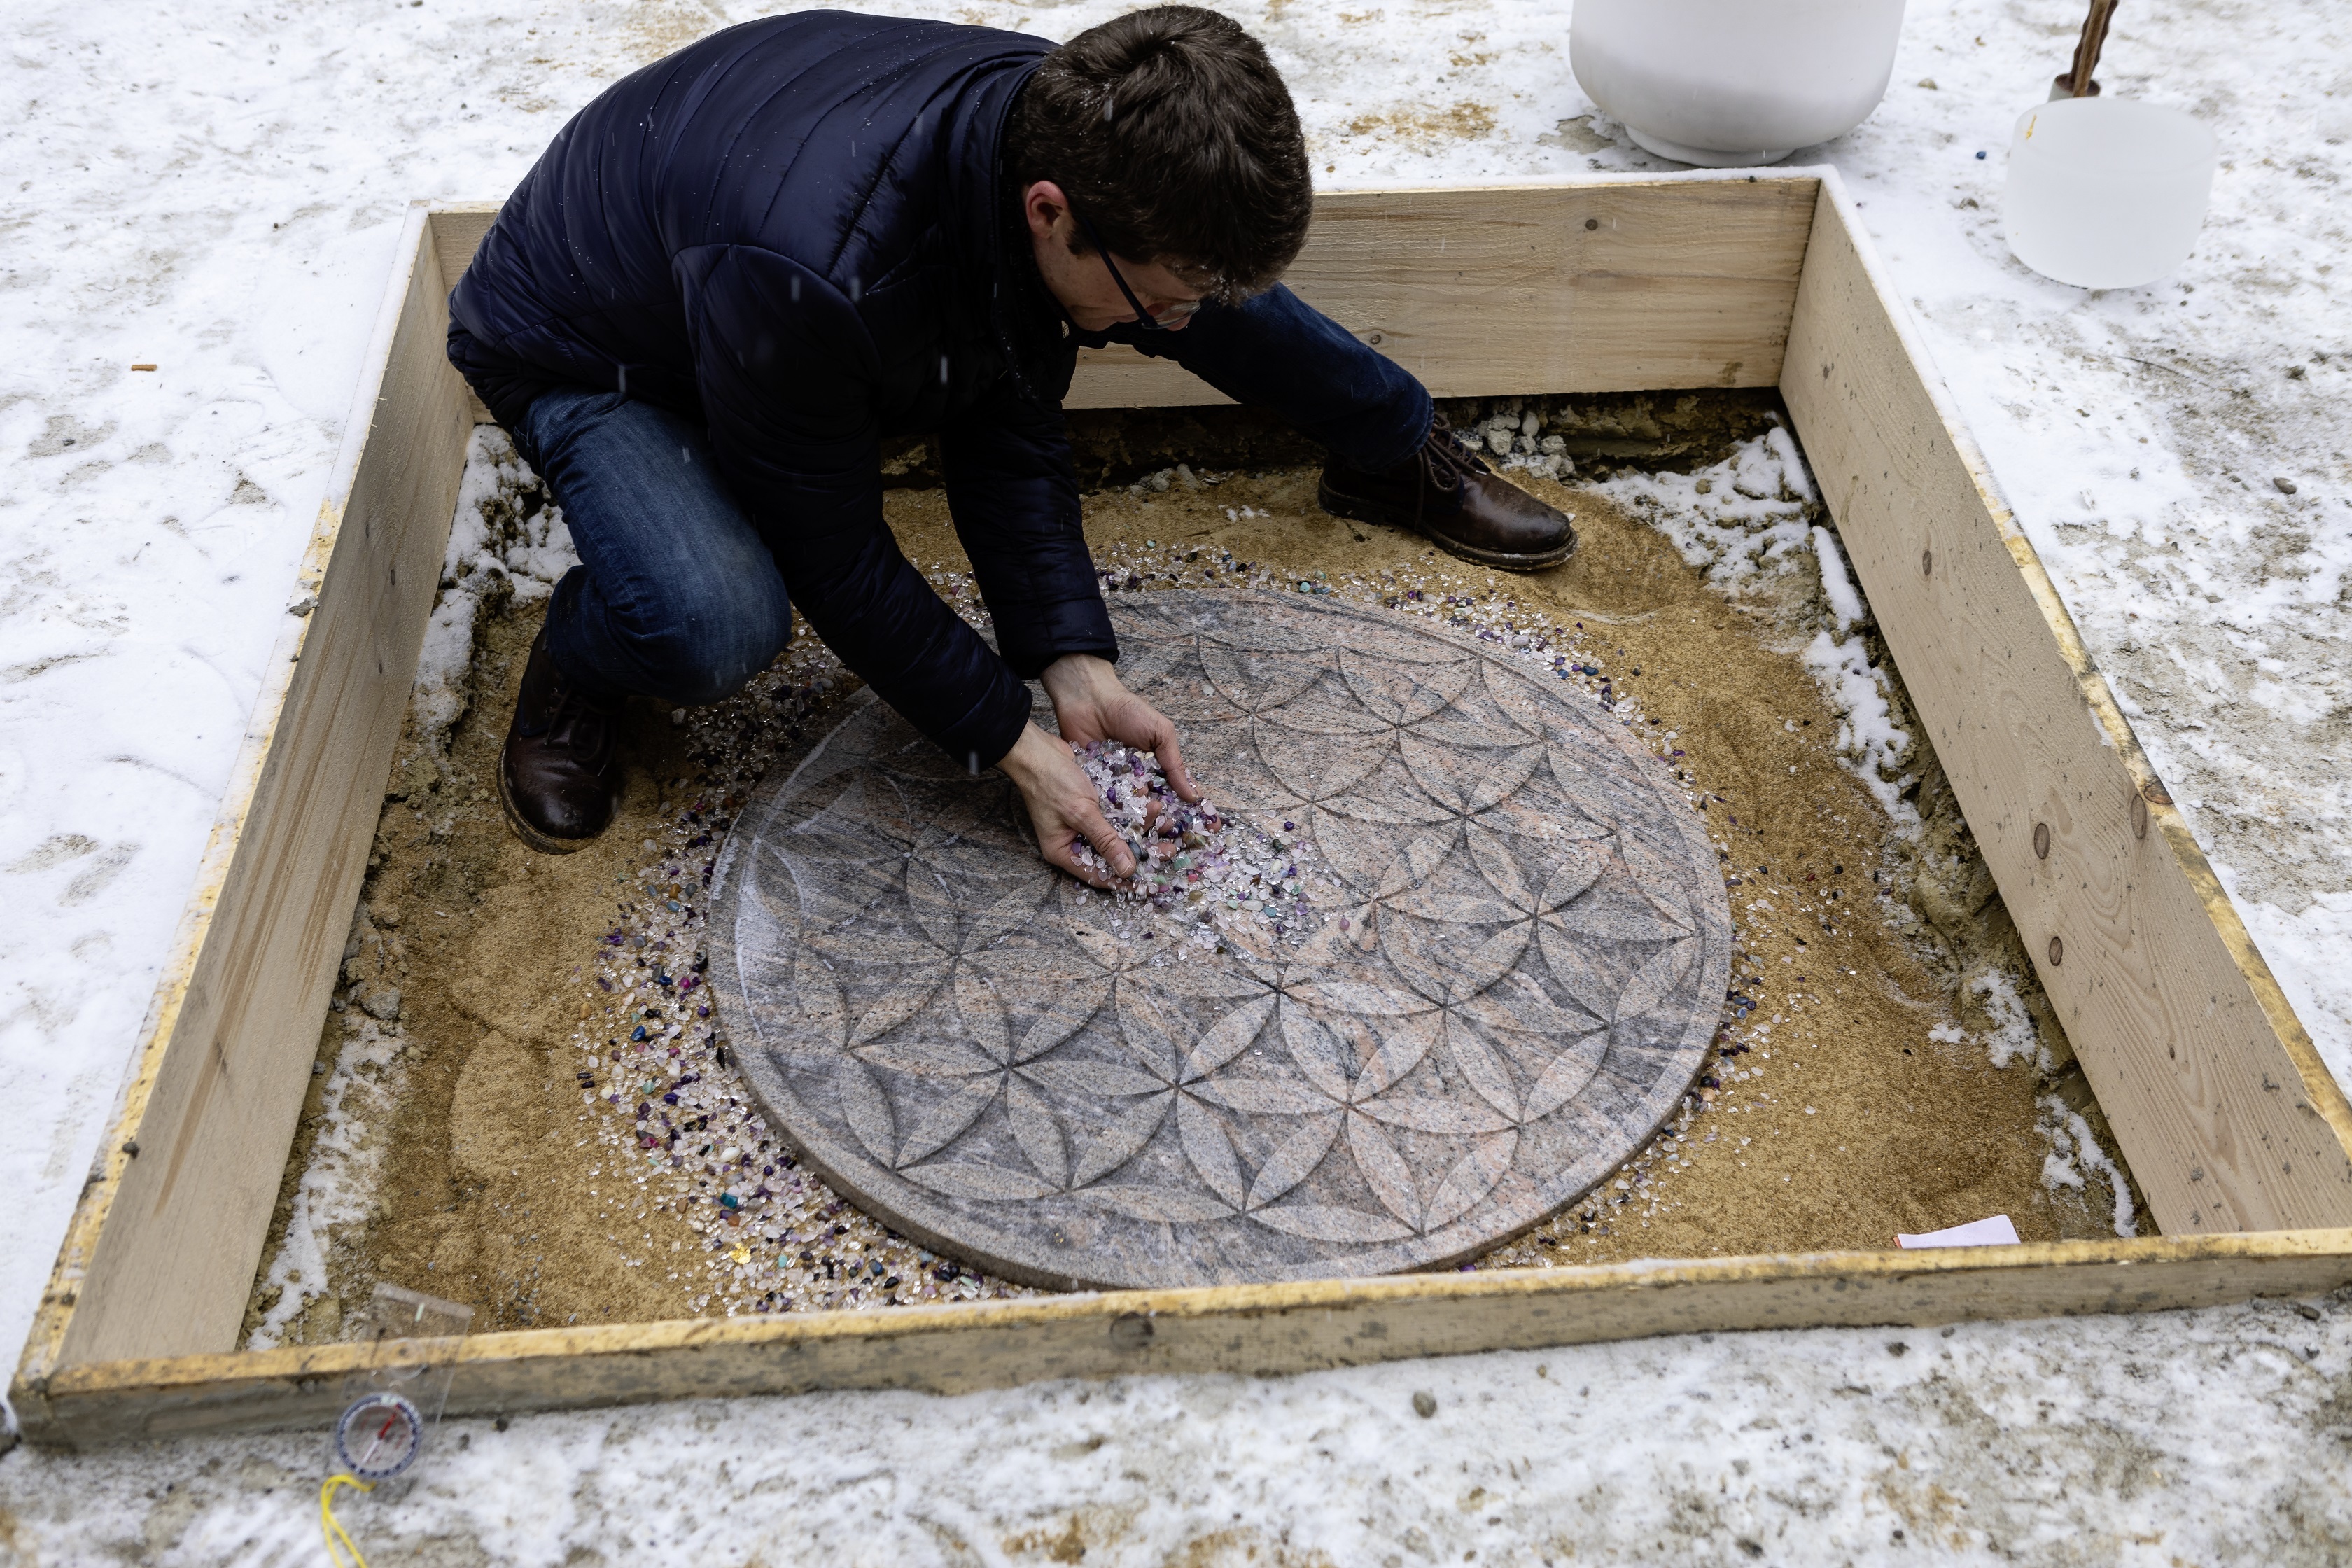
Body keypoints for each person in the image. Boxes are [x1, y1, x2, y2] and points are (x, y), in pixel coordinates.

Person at [447, 6, 1576, 883]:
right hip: (596, 349)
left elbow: (1003, 399)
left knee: (1203, 279)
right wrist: (1010, 741)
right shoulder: (817, 280)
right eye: (1160, 306)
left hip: (753, 268)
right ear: (1048, 212)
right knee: (716, 620)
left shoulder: (1079, 118)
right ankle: (582, 660)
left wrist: (1069, 657)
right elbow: (830, 550)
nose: (1172, 329)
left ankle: (1394, 449)